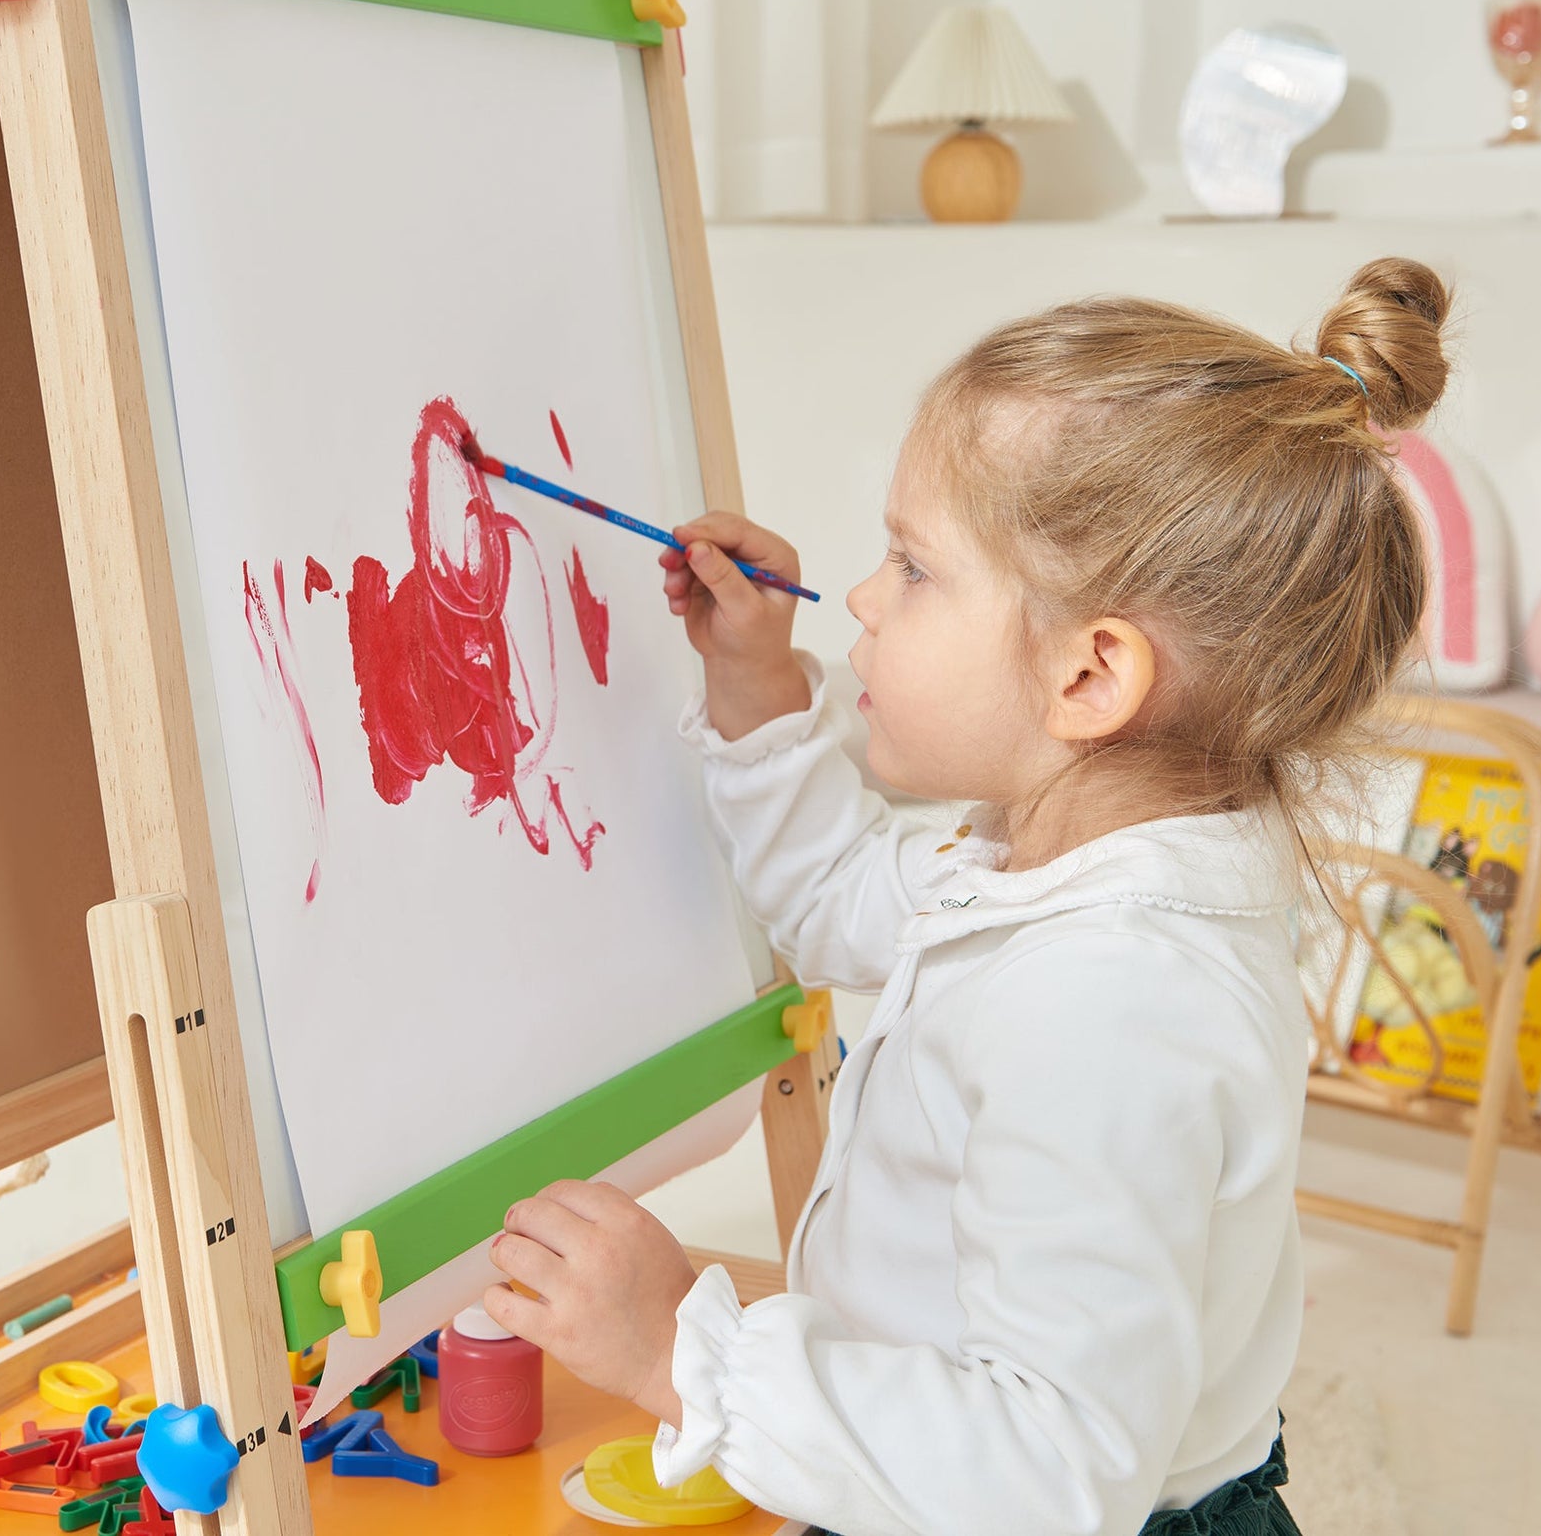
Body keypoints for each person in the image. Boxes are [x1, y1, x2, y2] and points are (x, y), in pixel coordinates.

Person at [482, 258, 1454, 1534]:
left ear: (1089, 675)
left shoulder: (1108, 1001)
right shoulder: (1053, 862)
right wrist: (762, 689)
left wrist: (681, 1351)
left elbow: (1044, 1471)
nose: (862, 601)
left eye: (913, 566)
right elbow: (836, 895)